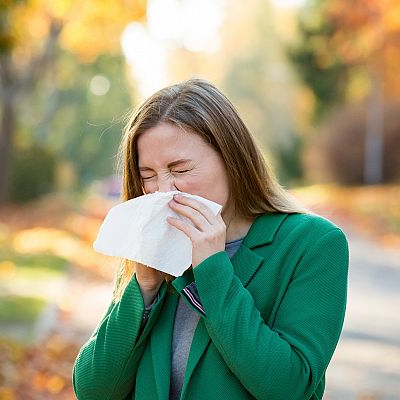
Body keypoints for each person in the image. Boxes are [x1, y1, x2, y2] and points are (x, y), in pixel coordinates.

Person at [72, 78, 349, 400]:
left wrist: (214, 271)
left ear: (232, 160)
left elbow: (288, 388)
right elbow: (93, 390)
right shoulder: (151, 250)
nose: (163, 190)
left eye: (181, 169)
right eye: (147, 175)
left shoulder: (313, 244)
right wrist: (142, 289)